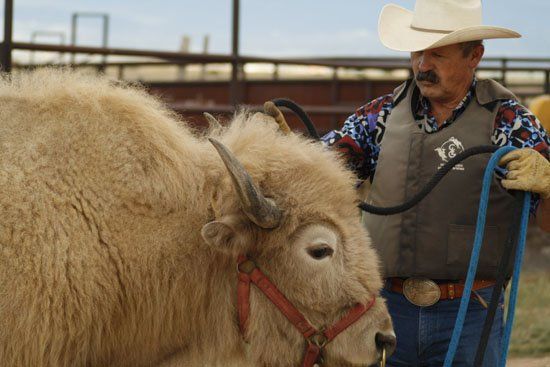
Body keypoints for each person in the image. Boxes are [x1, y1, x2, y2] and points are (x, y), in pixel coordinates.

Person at [320, 0, 550, 365]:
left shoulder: (510, 123)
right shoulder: (380, 116)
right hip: (386, 308)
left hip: (470, 310)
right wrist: (294, 158)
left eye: (438, 55)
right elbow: (325, 170)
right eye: (417, 53)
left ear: (474, 56)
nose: (422, 66)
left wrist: (549, 184)